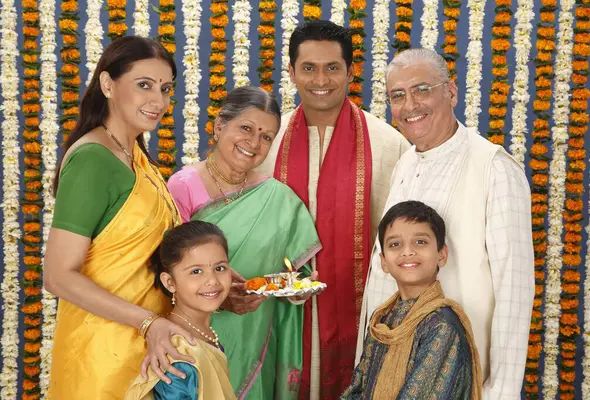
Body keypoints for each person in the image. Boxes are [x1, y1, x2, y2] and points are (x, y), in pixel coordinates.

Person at [358, 48, 534, 399]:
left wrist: (500, 391)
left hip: (457, 371)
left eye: (422, 89)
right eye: (397, 95)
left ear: (451, 92)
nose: (410, 105)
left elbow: (514, 292)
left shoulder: (493, 168)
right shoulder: (406, 163)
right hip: (390, 363)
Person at [256, 20, 411, 399]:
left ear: (350, 72)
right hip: (278, 318)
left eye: (332, 68)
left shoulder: (388, 145)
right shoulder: (267, 144)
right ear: (291, 72)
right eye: (308, 68)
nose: (320, 79)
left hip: (361, 316)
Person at [43, 36, 197, 399]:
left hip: (150, 350)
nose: (158, 101)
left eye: (165, 89)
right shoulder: (94, 160)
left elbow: (147, 257)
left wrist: (211, 279)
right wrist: (148, 323)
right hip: (101, 354)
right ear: (108, 84)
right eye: (143, 85)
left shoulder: (134, 157)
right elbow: (58, 275)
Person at [164, 86, 322, 399]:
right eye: (246, 128)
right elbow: (168, 267)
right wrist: (221, 299)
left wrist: (296, 288)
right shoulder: (183, 187)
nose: (254, 143)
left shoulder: (278, 196)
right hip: (198, 332)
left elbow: (296, 273)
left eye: (266, 137)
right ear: (219, 125)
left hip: (256, 331)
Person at [342, 200, 482, 399]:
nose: (407, 252)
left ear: (441, 255)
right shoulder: (382, 319)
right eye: (395, 244)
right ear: (384, 262)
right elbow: (357, 390)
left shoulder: (441, 326)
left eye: (420, 242)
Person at [126, 221, 236, 399]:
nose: (212, 280)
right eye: (196, 272)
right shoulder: (178, 355)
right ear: (170, 282)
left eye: (219, 268)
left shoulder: (201, 332)